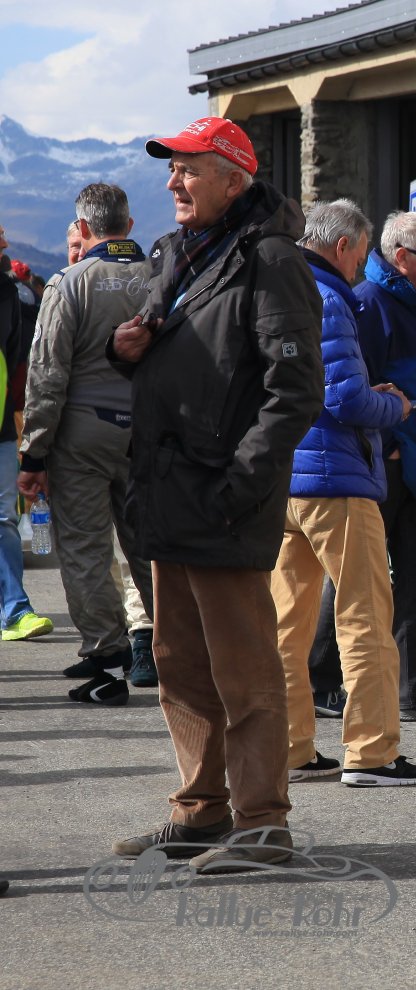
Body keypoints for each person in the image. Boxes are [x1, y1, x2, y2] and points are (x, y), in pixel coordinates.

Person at [108, 117, 322, 871]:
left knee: (245, 672)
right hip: (168, 492)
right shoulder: (179, 253)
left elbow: (294, 391)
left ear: (234, 179)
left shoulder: (272, 260)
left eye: (188, 169)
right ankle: (201, 810)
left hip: (225, 498)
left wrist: (241, 483)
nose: (173, 182)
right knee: (179, 663)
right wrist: (124, 350)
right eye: (172, 169)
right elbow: (184, 359)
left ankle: (262, 826)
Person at [276, 199, 416, 786]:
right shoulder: (329, 298)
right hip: (338, 480)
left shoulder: (278, 288)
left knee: (286, 625)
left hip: (285, 479)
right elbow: (343, 399)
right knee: (365, 616)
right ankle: (371, 753)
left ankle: (290, 748)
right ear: (342, 246)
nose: (363, 266)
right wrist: (395, 406)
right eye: (363, 254)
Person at [307, 210, 416, 722]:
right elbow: (354, 386)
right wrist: (388, 445)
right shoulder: (369, 303)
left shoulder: (415, 298)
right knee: (354, 578)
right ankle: (321, 682)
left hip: (415, 464)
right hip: (386, 465)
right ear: (400, 256)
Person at [19, 184, 156, 705]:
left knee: (85, 549)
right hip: (147, 432)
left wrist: (34, 452)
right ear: (129, 224)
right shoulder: (160, 278)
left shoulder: (69, 282)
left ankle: (106, 661)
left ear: (82, 228)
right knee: (148, 544)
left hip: (82, 434)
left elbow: (47, 373)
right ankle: (173, 645)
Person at [0, 223, 52, 645]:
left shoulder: (7, 292)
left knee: (4, 518)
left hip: (1, 426)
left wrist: (21, 418)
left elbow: (19, 360)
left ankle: (15, 610)